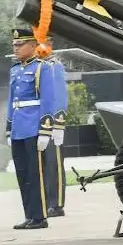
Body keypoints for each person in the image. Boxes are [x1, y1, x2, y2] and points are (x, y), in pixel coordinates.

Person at [5, 28, 62, 230]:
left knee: (36, 174)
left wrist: (46, 130)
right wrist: (9, 129)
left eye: (20, 45)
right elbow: (11, 101)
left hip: (34, 127)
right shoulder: (15, 70)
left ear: (32, 45)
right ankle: (29, 215)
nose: (16, 48)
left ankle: (40, 217)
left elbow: (48, 100)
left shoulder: (42, 68)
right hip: (19, 128)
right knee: (23, 174)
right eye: (14, 45)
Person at [41, 51, 69, 218]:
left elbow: (59, 95)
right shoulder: (34, 66)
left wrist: (58, 124)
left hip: (52, 124)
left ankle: (57, 205)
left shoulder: (53, 66)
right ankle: (45, 203)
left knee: (54, 165)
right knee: (43, 166)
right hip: (37, 123)